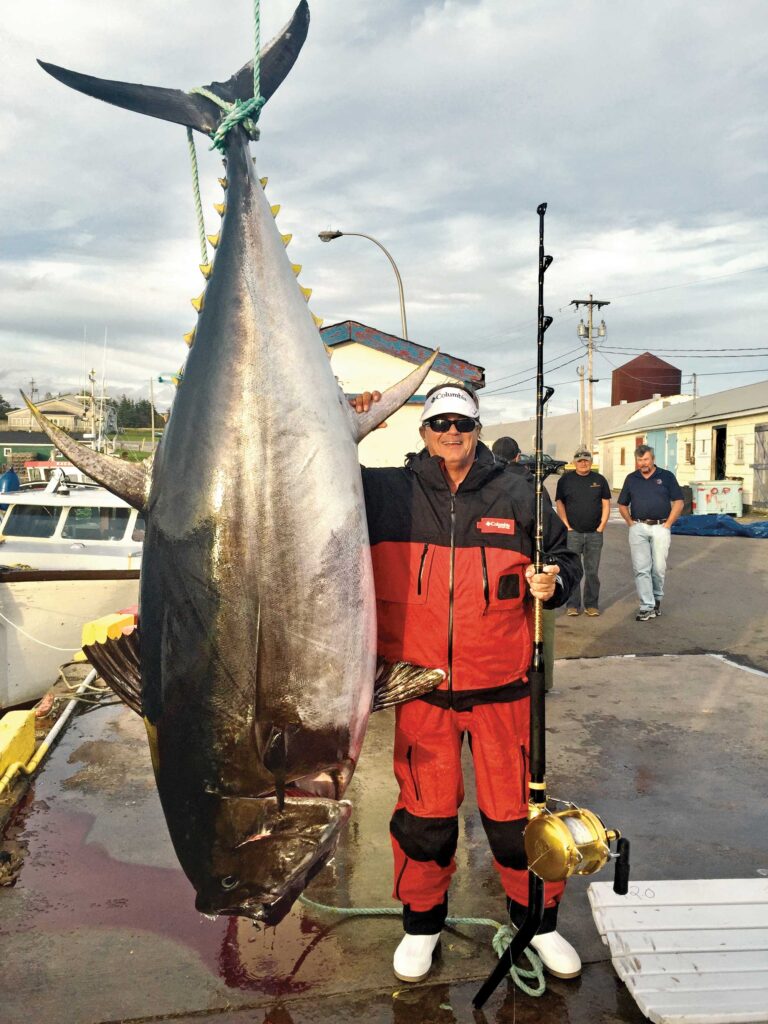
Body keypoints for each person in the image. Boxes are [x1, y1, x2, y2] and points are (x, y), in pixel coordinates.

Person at [355, 382, 583, 984]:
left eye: (462, 422)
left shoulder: (519, 490)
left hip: (504, 688)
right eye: (439, 423)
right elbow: (315, 470)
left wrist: (552, 582)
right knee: (424, 821)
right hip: (419, 691)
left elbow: (565, 558)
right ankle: (421, 926)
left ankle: (539, 922)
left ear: (477, 428)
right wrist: (342, 413)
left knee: (515, 820)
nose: (451, 432)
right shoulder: (385, 492)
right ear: (423, 431)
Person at [617, 444, 684, 621]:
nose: (643, 463)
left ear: (653, 459)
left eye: (646, 459)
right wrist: (630, 523)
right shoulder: (631, 479)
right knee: (641, 569)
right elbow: (622, 504)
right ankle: (647, 606)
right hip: (638, 528)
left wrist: (668, 524)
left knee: (659, 568)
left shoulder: (666, 477)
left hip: (661, 527)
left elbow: (679, 501)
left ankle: (657, 599)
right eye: (640, 460)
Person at [555, 448, 611, 617]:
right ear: (574, 463)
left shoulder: (599, 480)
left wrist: (601, 526)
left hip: (595, 534)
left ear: (591, 462)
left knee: (592, 571)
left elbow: (606, 505)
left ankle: (591, 604)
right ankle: (572, 604)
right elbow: (559, 503)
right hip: (573, 534)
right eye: (580, 461)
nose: (583, 463)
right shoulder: (565, 480)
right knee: (573, 570)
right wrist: (567, 526)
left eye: (586, 460)